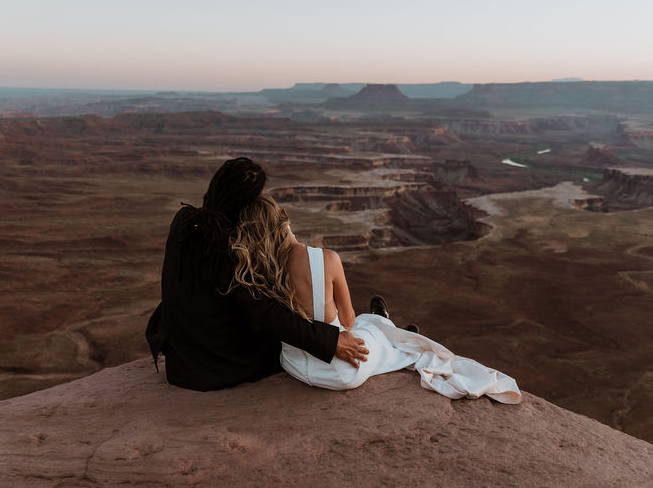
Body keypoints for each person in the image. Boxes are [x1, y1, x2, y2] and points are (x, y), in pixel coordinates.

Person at [229, 194, 522, 403]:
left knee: (369, 326)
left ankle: (385, 322)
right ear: (283, 217)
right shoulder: (326, 259)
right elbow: (346, 320)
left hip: (294, 366)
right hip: (340, 372)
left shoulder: (255, 273)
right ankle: (389, 325)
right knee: (368, 328)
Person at [145, 157, 368, 391]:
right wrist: (331, 342)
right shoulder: (223, 248)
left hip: (181, 360)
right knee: (285, 346)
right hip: (214, 368)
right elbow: (266, 313)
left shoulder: (184, 221)